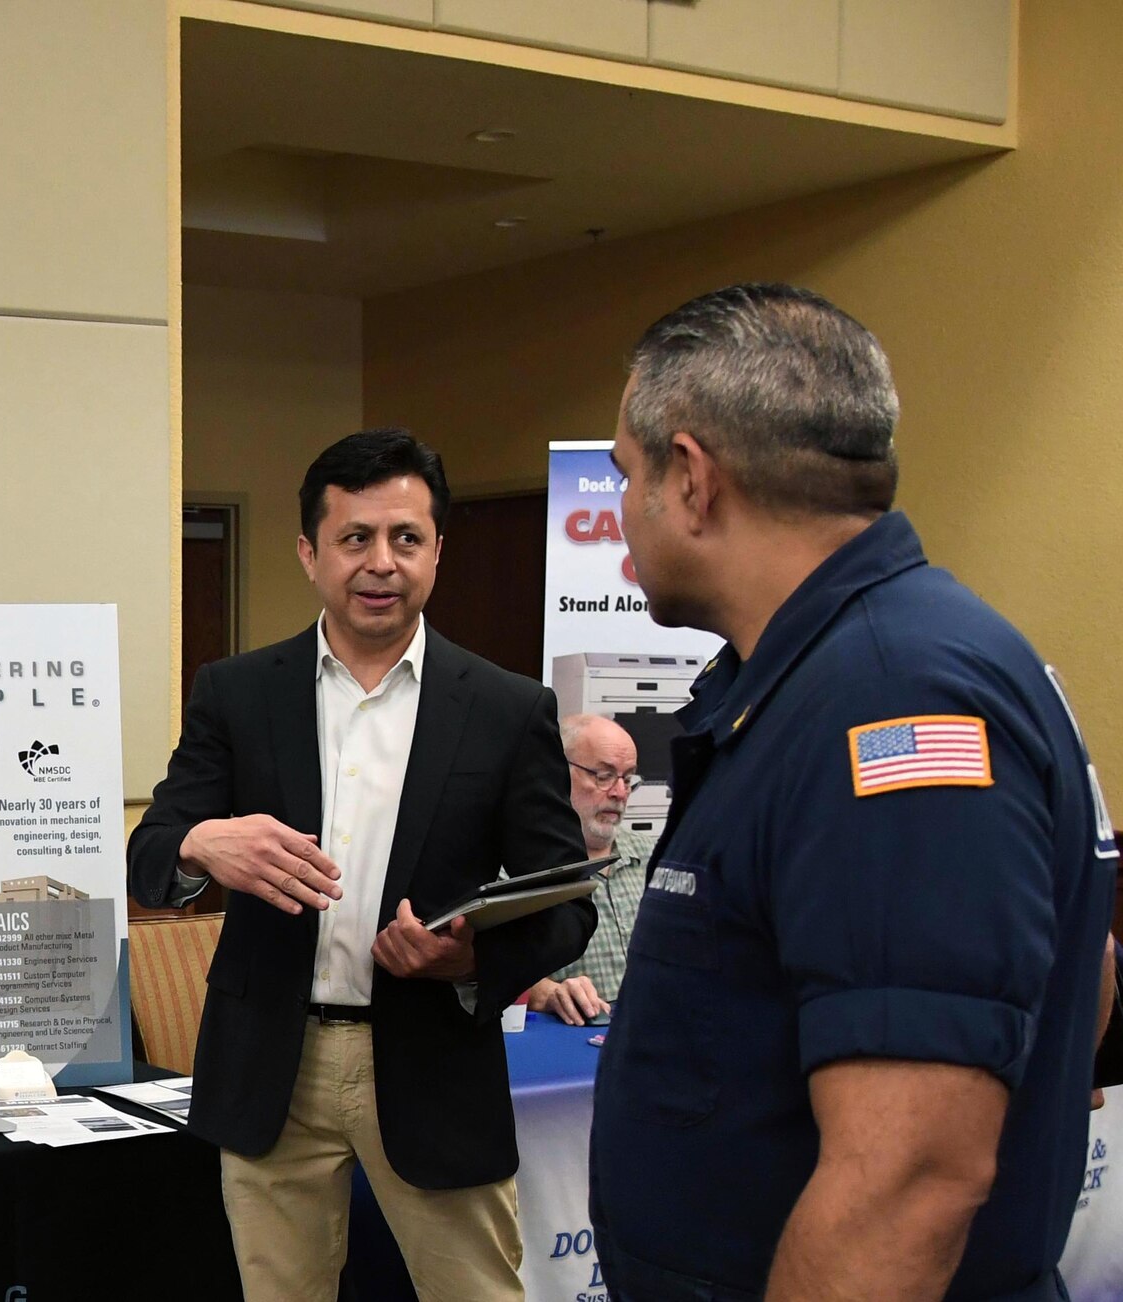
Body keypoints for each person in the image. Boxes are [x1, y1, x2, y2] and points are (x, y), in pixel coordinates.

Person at [588, 283, 1117, 1301]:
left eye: (625, 474)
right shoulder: (828, 673)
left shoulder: (890, 700)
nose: (619, 516)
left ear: (690, 480)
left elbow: (908, 1176)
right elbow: (1075, 971)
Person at [129, 429, 593, 1302]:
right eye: (354, 539)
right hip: (273, 1064)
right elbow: (150, 856)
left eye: (405, 539)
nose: (381, 563)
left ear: (437, 553)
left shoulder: (505, 708)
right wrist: (200, 843)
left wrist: (471, 960)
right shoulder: (236, 692)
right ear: (310, 553)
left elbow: (566, 904)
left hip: (432, 1063)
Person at [526, 714, 654, 1027]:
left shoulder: (657, 858)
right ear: (556, 771)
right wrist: (546, 993)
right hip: (568, 1055)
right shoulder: (519, 870)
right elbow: (476, 974)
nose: (620, 793)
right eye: (604, 776)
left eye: (628, 778)